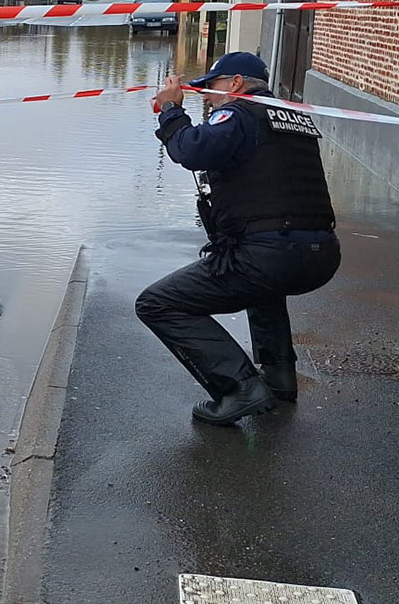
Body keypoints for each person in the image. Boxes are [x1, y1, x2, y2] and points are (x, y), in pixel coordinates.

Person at [137, 52, 341, 425]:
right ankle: (279, 377)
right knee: (264, 286)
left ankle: (239, 388)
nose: (207, 97)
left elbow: (192, 150)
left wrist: (170, 112)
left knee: (157, 303)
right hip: (321, 255)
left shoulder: (239, 113)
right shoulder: (290, 115)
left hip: (271, 253)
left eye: (211, 88)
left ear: (235, 85)